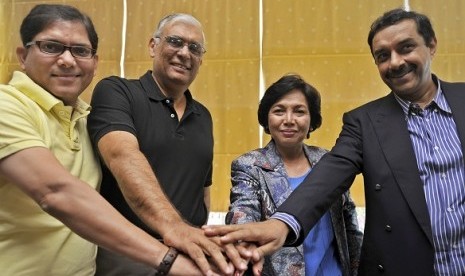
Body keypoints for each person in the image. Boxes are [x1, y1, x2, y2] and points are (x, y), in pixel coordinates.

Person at [205, 8, 465, 276]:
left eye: (406, 47)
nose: (396, 62)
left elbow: (349, 224)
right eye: (383, 56)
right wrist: (280, 224)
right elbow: (326, 179)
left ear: (431, 45)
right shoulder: (363, 123)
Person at [0, 4, 208, 276]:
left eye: (80, 51)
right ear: (23, 56)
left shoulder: (86, 118)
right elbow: (57, 192)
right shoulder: (7, 105)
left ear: (94, 63)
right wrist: (169, 256)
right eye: (51, 47)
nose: (67, 60)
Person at [87, 13, 246, 276]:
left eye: (194, 48)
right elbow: (122, 156)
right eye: (175, 41)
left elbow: (202, 189)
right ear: (153, 46)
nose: (185, 53)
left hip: (189, 254)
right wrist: (175, 228)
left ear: (201, 59)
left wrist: (197, 240)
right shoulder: (117, 92)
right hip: (129, 253)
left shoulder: (203, 116)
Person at [225, 74, 363, 275]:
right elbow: (243, 217)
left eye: (299, 111)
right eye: (279, 111)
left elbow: (350, 227)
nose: (289, 120)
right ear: (266, 118)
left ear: (311, 119)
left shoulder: (329, 162)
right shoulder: (249, 165)